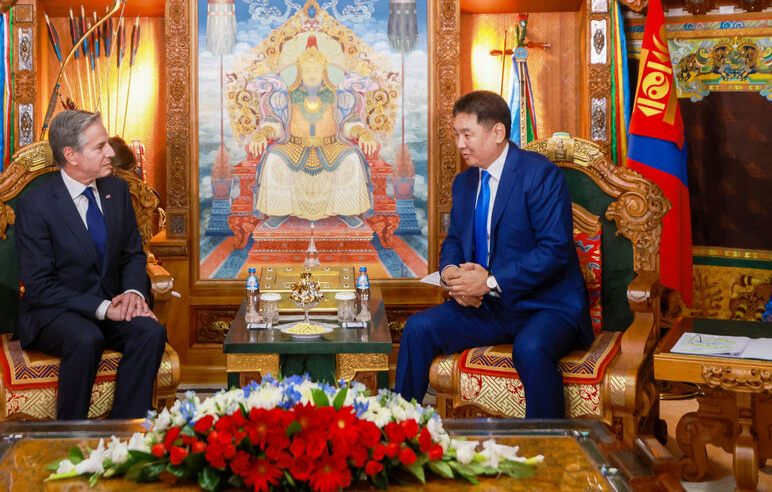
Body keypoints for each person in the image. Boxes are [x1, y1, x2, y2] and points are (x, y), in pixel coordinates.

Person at [395, 90, 593, 418]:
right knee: (418, 328)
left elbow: (554, 250)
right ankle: (399, 432)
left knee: (530, 348)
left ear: (498, 132)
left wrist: (488, 281)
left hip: (547, 307)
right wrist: (451, 275)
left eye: (467, 134)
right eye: (456, 134)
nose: (460, 144)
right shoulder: (465, 183)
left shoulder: (540, 175)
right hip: (489, 308)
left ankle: (550, 445)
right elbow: (455, 241)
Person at [15, 110, 167, 420]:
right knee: (86, 338)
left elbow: (132, 254)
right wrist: (102, 308)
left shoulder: (117, 191)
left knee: (150, 332)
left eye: (107, 144)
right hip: (55, 310)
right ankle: (71, 433)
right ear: (70, 154)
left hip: (111, 303)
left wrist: (132, 294)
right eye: (100, 147)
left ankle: (124, 431)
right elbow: (39, 285)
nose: (111, 152)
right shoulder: (36, 203)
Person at [248, 34, 375, 228]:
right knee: (274, 157)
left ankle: (347, 211)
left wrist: (362, 133)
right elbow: (275, 124)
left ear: (325, 72)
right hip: (294, 147)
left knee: (352, 158)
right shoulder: (286, 97)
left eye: (316, 69)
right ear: (299, 72)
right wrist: (261, 134)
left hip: (331, 146)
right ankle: (278, 212)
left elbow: (349, 124)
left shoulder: (338, 96)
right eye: (307, 70)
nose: (312, 74)